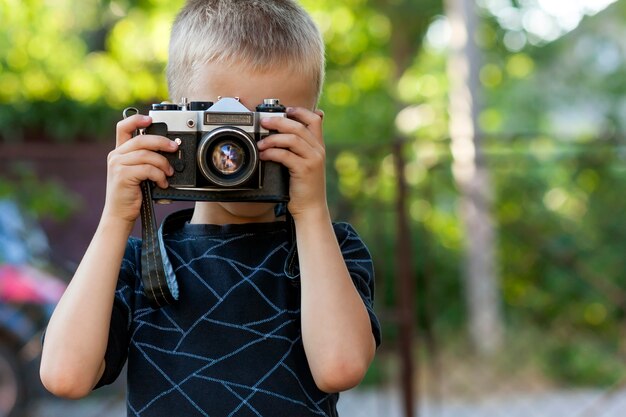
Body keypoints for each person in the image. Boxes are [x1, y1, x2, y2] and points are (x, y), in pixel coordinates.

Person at [39, 0, 381, 416]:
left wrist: (310, 211)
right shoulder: (142, 262)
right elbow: (64, 376)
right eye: (222, 125)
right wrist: (117, 218)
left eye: (268, 125)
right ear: (179, 124)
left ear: (311, 129)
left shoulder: (331, 250)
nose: (239, 151)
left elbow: (340, 368)